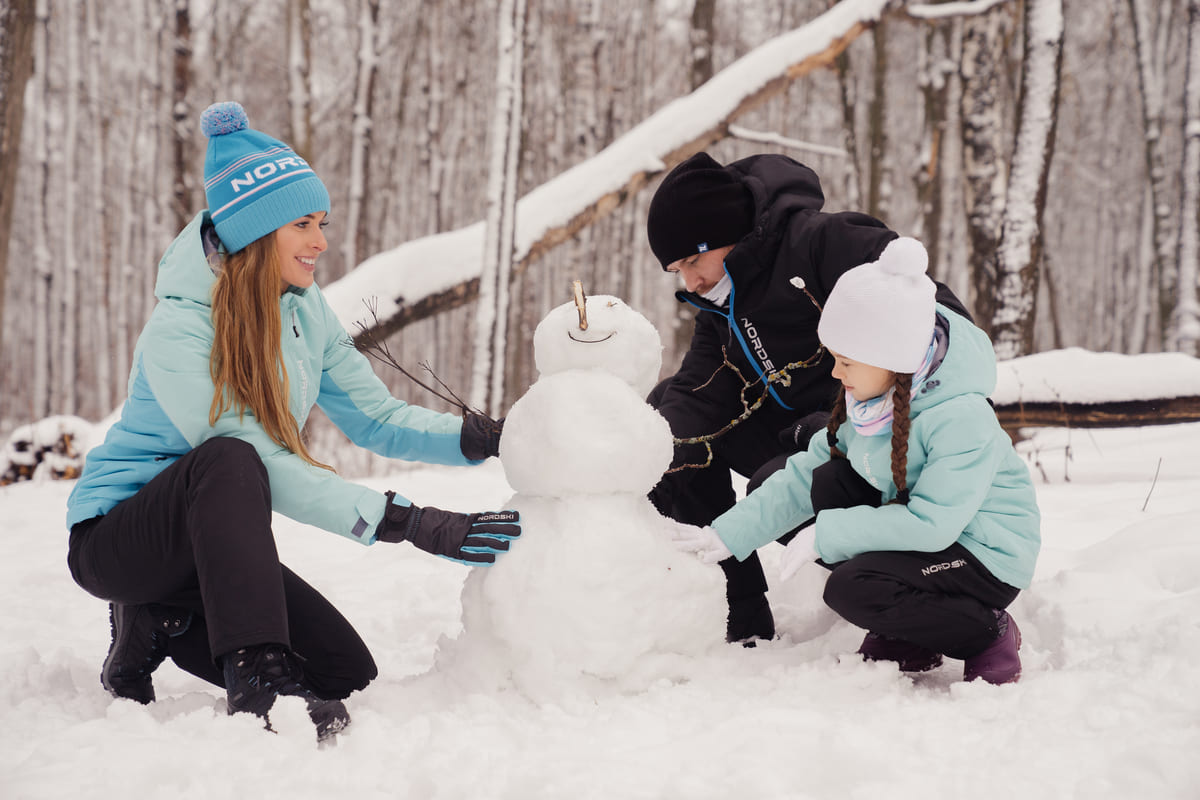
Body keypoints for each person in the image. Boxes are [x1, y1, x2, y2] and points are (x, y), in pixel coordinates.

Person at [65, 102, 521, 741]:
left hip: (213, 552)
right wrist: (411, 523)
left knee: (345, 673)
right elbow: (255, 461)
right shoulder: (179, 330)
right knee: (229, 459)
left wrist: (490, 437)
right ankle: (254, 673)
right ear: (256, 233)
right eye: (304, 224)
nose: (321, 242)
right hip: (122, 540)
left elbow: (375, 418)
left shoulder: (305, 311)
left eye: (321, 222)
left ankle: (153, 623)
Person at [672, 237, 1041, 684]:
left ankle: (986, 633)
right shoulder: (874, 402)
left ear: (891, 358)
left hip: (984, 556)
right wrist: (729, 534)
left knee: (854, 589)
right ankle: (910, 632)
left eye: (846, 361)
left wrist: (825, 535)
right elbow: (802, 475)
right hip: (934, 543)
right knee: (827, 482)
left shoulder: (959, 417)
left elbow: (933, 524)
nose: (835, 373)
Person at [644, 151, 969, 645]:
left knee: (773, 485)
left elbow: (934, 318)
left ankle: (902, 600)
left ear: (730, 232)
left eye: (694, 260)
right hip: (798, 434)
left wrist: (856, 422)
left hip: (876, 439)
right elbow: (699, 390)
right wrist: (637, 447)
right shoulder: (720, 303)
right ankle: (738, 611)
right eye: (677, 270)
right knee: (668, 420)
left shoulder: (825, 243)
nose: (691, 281)